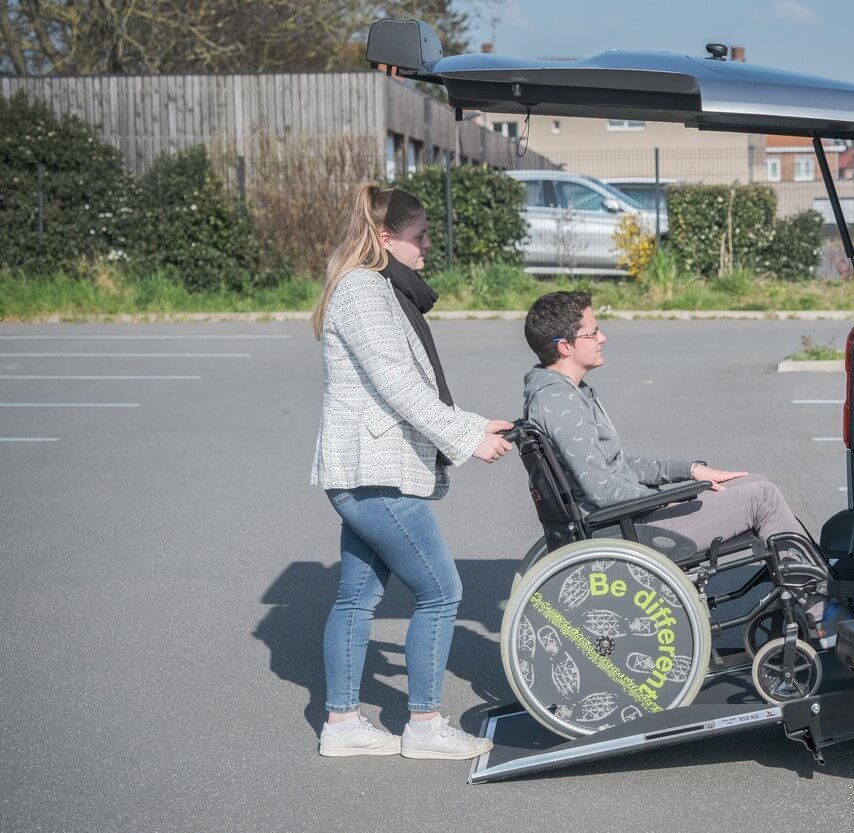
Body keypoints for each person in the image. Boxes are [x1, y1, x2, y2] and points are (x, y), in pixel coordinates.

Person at [310, 184, 513, 760]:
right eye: (418, 237)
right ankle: (423, 726)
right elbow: (401, 386)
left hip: (362, 472)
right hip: (375, 473)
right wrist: (469, 436)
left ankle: (343, 723)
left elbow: (406, 385)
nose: (427, 246)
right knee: (442, 592)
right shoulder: (363, 292)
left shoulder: (370, 289)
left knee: (356, 597)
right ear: (383, 239)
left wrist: (474, 423)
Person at [520, 290, 828, 629]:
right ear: (565, 346)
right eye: (593, 333)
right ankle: (820, 613)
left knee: (752, 483)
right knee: (763, 499)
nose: (603, 337)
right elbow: (602, 491)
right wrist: (664, 499)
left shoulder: (565, 393)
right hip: (632, 527)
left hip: (633, 516)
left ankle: (807, 597)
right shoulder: (561, 405)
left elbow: (620, 464)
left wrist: (691, 471)